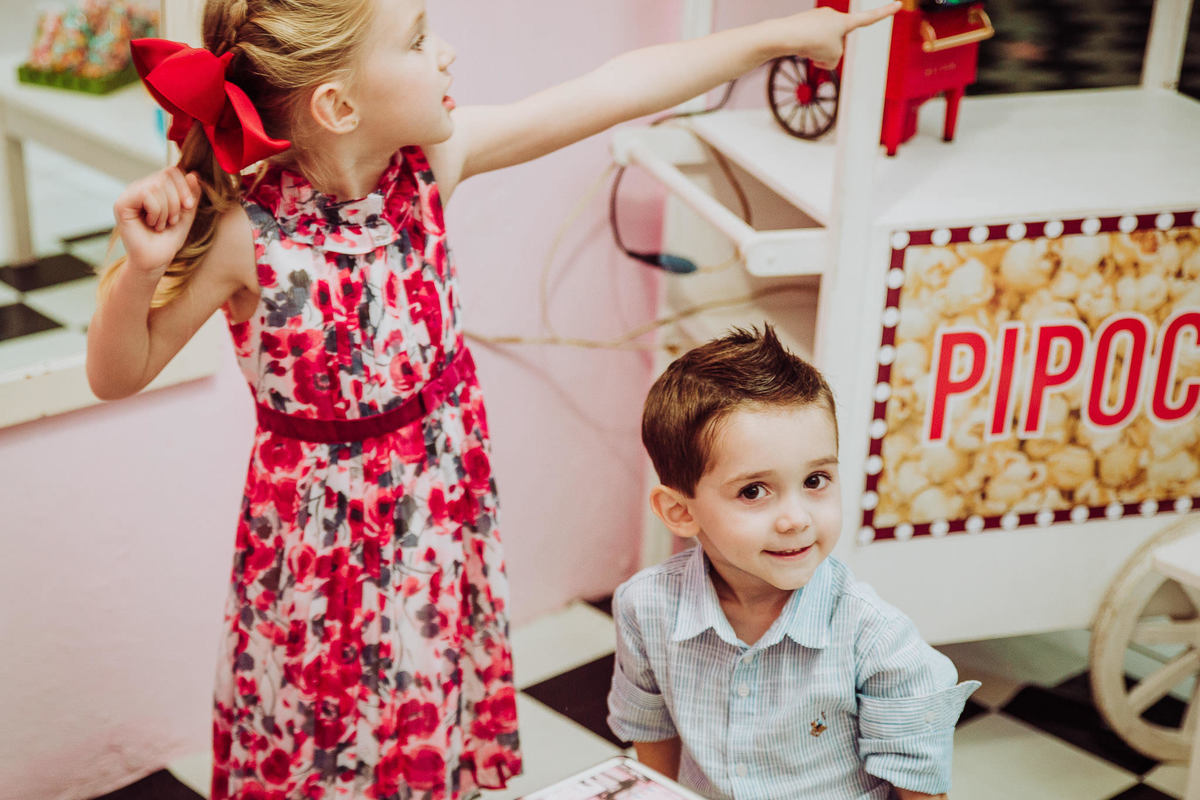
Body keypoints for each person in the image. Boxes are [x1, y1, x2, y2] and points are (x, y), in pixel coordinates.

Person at [85, 1, 901, 797]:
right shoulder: (245, 236)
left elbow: (613, 89)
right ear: (338, 105)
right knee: (326, 741)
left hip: (438, 521)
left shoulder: (430, 172)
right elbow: (118, 372)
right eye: (416, 41)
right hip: (321, 562)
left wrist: (777, 35)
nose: (445, 54)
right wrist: (142, 271)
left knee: (426, 718)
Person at [607, 325, 979, 800]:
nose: (796, 519)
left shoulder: (879, 642)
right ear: (680, 512)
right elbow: (651, 732)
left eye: (816, 479)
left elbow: (920, 792)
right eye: (754, 491)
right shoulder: (645, 606)